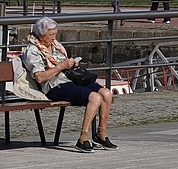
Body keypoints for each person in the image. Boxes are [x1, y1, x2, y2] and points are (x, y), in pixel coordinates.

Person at [23, 17, 116, 153]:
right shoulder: (33, 50)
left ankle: (101, 134)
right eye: (51, 35)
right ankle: (83, 138)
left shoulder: (55, 45)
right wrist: (61, 66)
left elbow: (63, 63)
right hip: (54, 86)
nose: (54, 38)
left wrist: (71, 64)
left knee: (106, 94)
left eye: (55, 34)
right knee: (95, 98)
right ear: (41, 34)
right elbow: (40, 77)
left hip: (69, 79)